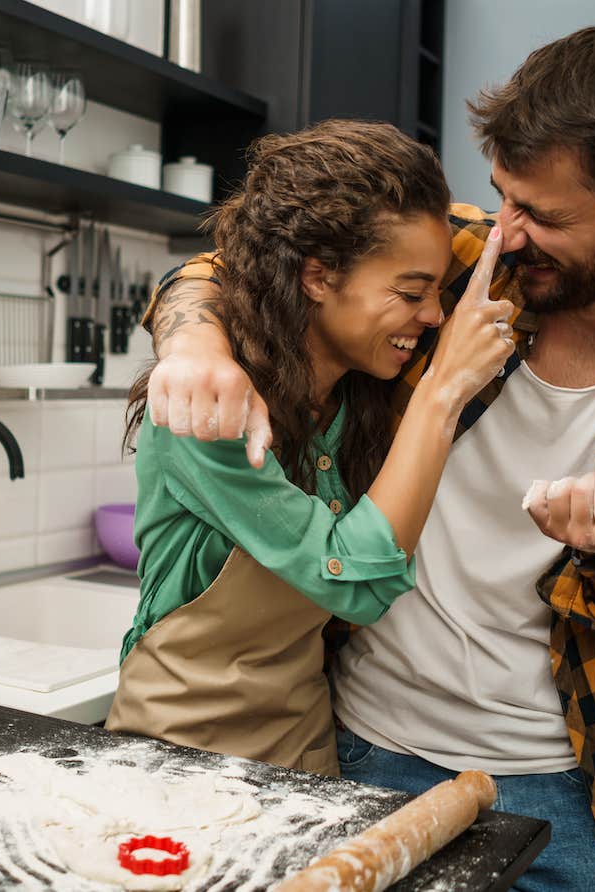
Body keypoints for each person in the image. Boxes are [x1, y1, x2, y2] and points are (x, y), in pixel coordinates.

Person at [135, 25, 595, 892]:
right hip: (352, 742)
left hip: (564, 788)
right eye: (502, 197)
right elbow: (235, 265)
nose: (508, 235)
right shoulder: (449, 256)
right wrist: (193, 344)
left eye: (545, 215)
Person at [105, 119, 514, 778]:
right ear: (317, 277)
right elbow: (355, 581)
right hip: (176, 758)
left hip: (307, 753)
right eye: (412, 293)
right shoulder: (209, 412)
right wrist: (444, 391)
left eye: (437, 291)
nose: (435, 316)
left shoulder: (358, 390)